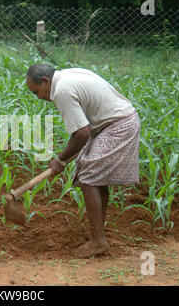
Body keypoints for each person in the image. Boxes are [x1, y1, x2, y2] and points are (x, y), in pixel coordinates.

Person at [26, 63, 140, 258]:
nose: (39, 97)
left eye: (37, 91)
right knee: (94, 177)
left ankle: (98, 241)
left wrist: (59, 160)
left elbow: (82, 134)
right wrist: (61, 161)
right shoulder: (67, 76)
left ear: (45, 81)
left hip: (118, 125)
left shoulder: (62, 90)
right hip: (114, 122)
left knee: (88, 178)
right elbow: (83, 133)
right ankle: (97, 235)